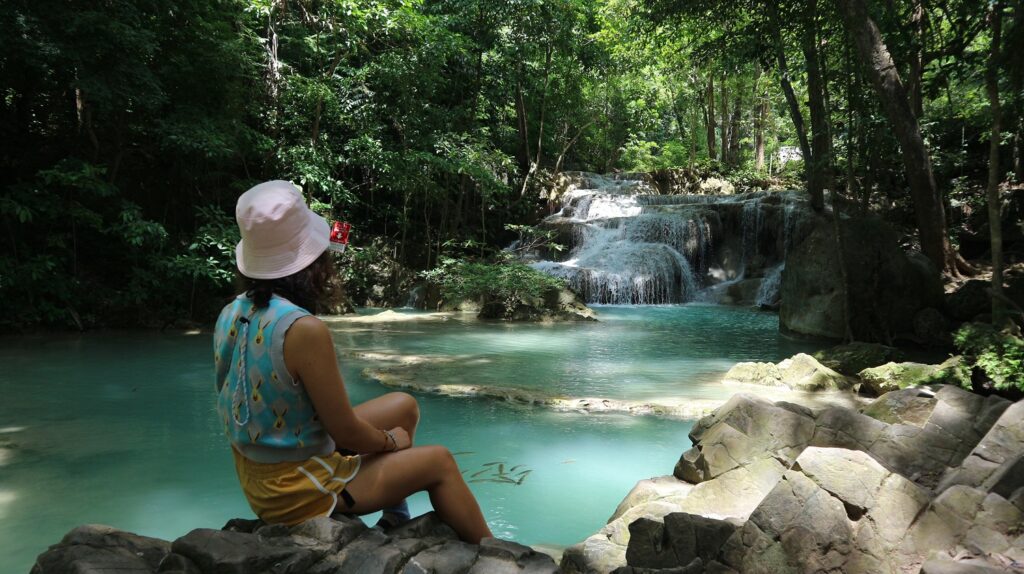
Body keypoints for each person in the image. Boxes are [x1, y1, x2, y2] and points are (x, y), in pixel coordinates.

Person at [213, 180, 492, 543]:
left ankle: (395, 517)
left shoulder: (231, 312)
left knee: (403, 405)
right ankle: (498, 553)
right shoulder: (303, 328)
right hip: (296, 492)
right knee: (438, 461)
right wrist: (389, 442)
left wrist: (386, 437)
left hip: (262, 475)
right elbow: (344, 432)